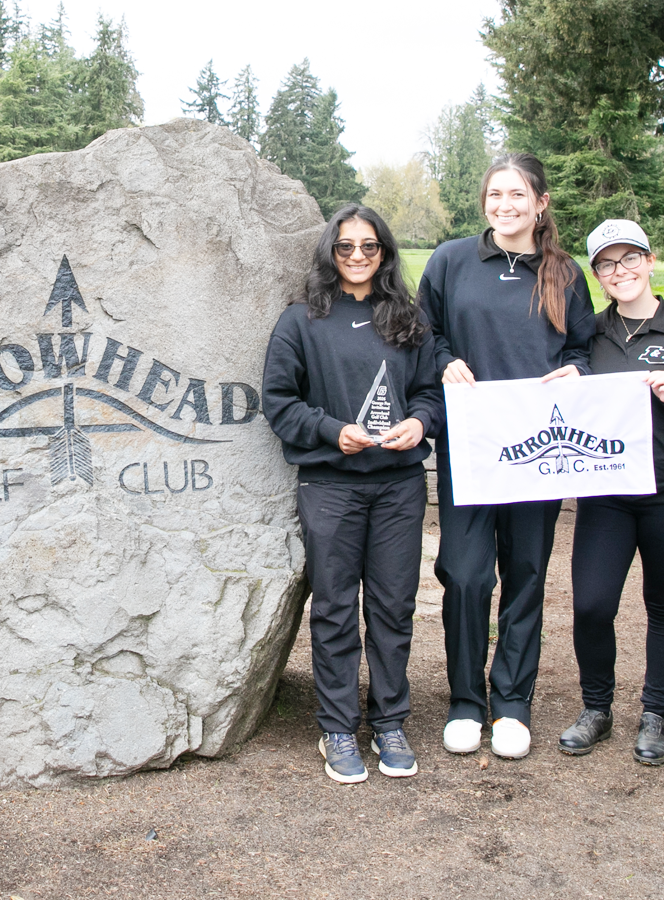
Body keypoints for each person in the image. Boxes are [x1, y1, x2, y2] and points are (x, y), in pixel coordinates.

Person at [419, 152, 594, 760]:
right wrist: (444, 362)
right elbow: (424, 334)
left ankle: (512, 703)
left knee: (525, 575)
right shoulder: (451, 261)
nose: (505, 206)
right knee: (465, 575)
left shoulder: (564, 273)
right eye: (496, 195)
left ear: (540, 202)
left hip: (539, 450)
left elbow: (583, 350)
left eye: (518, 195)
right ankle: (466, 701)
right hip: (469, 446)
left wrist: (576, 372)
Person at [263, 205, 442, 784]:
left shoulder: (407, 318)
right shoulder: (301, 322)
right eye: (346, 248)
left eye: (370, 247)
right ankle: (337, 727)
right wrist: (329, 431)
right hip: (331, 486)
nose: (359, 256)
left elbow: (430, 391)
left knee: (394, 608)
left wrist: (420, 423)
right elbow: (279, 402)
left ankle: (389, 720)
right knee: (335, 609)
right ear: (329, 254)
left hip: (398, 487)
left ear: (386, 253)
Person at [557, 219, 664, 765]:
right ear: (597, 275)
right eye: (607, 263)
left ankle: (655, 712)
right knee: (591, 604)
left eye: (630, 258)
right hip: (607, 491)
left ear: (651, 261)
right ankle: (596, 708)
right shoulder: (590, 332)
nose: (620, 270)